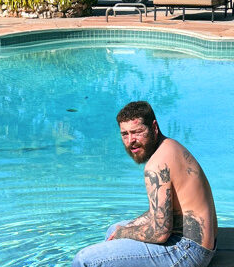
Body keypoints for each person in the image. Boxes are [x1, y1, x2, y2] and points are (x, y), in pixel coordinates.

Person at [72, 101, 217, 267]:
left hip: (188, 251)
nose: (131, 140)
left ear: (154, 127)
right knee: (114, 229)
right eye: (125, 134)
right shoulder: (171, 146)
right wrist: (126, 228)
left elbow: (160, 233)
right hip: (202, 244)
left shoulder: (157, 164)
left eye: (137, 132)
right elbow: (163, 213)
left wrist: (124, 233)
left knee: (84, 260)